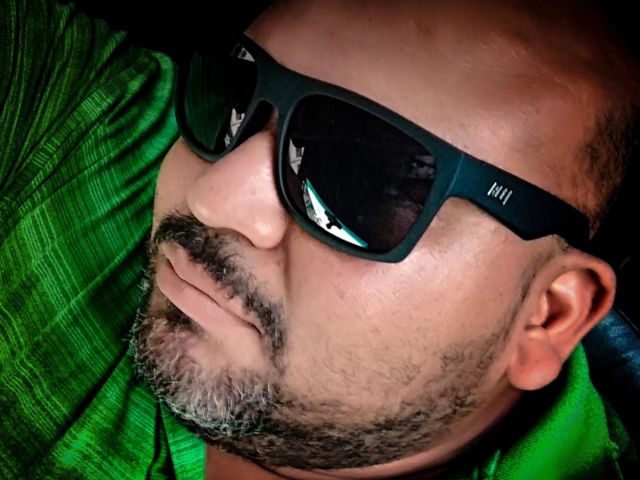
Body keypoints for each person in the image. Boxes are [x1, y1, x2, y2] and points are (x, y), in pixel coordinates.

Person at [1, 0, 638, 478]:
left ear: (547, 317)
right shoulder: (78, 120)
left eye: (362, 178)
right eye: (237, 91)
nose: (213, 198)